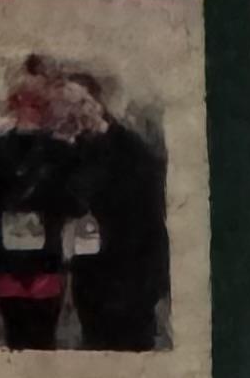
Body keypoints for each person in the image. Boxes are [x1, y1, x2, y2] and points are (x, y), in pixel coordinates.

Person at [57, 73, 169, 355]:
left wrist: (151, 280)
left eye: (82, 102)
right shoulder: (74, 150)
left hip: (129, 274)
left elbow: (151, 216)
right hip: (90, 274)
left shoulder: (131, 150)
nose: (77, 111)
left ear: (99, 102)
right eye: (69, 105)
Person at [0, 68, 74, 351]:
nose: (31, 109)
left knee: (44, 334)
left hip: (46, 257)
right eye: (25, 101)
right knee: (14, 332)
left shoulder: (61, 151)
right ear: (14, 103)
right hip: (8, 258)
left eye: (38, 103)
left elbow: (70, 202)